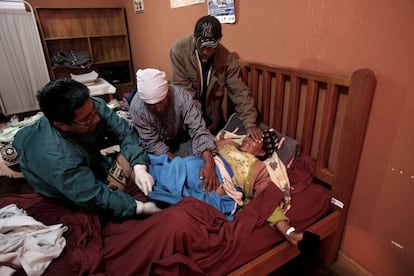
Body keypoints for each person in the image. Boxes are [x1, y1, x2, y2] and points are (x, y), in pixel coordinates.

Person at [12, 78, 160, 218]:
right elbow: (93, 196)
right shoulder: (60, 161)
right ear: (61, 125)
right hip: (55, 181)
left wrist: (139, 167)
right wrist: (139, 208)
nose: (96, 118)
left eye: (94, 112)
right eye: (87, 119)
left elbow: (125, 132)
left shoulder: (87, 107)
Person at [148, 128, 317, 248]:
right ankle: (155, 188)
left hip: (224, 185)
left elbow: (266, 201)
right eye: (249, 136)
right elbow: (205, 144)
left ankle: (292, 236)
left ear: (262, 152)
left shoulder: (259, 169)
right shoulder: (228, 144)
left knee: (202, 203)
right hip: (205, 166)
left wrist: (288, 231)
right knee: (183, 167)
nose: (248, 139)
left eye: (255, 139)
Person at [170, 15, 263, 141]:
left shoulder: (227, 58)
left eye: (211, 47)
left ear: (219, 40)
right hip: (187, 122)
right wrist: (200, 127)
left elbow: (239, 92)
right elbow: (185, 96)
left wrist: (250, 123)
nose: (206, 52)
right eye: (202, 46)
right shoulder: (179, 51)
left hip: (214, 123)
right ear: (195, 37)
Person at [129, 68, 219, 192]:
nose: (158, 108)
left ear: (167, 92)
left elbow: (198, 129)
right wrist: (177, 164)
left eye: (161, 102)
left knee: (198, 165)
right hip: (158, 145)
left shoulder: (181, 97)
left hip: (181, 137)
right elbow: (152, 143)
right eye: (152, 106)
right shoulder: (137, 108)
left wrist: (210, 164)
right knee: (157, 177)